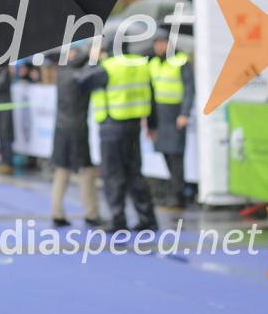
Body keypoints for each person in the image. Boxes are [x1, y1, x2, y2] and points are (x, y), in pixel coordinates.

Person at [75, 37, 158, 233]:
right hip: (134, 126)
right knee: (135, 174)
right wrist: (152, 125)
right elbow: (151, 96)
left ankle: (118, 220)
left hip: (112, 127)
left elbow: (81, 81)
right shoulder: (141, 66)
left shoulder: (109, 67)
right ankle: (148, 219)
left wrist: (93, 58)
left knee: (113, 176)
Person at [51, 45, 100, 227]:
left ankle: (57, 213)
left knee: (62, 170)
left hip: (61, 127)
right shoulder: (80, 75)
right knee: (86, 171)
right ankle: (91, 213)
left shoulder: (62, 72)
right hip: (77, 128)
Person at [148, 29, 195, 209]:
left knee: (176, 156)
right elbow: (150, 93)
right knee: (166, 154)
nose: (159, 46)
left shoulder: (181, 61)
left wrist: (184, 113)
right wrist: (150, 123)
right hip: (160, 115)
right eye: (157, 43)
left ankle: (178, 194)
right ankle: (173, 191)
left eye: (162, 42)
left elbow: (189, 89)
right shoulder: (152, 64)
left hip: (175, 113)